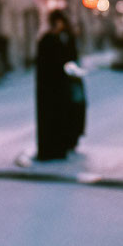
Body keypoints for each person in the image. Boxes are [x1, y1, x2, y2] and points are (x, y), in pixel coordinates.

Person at [35, 9, 85, 161]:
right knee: (60, 115)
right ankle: (60, 146)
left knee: (64, 114)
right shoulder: (52, 39)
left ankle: (63, 144)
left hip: (57, 86)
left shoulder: (59, 38)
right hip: (57, 87)